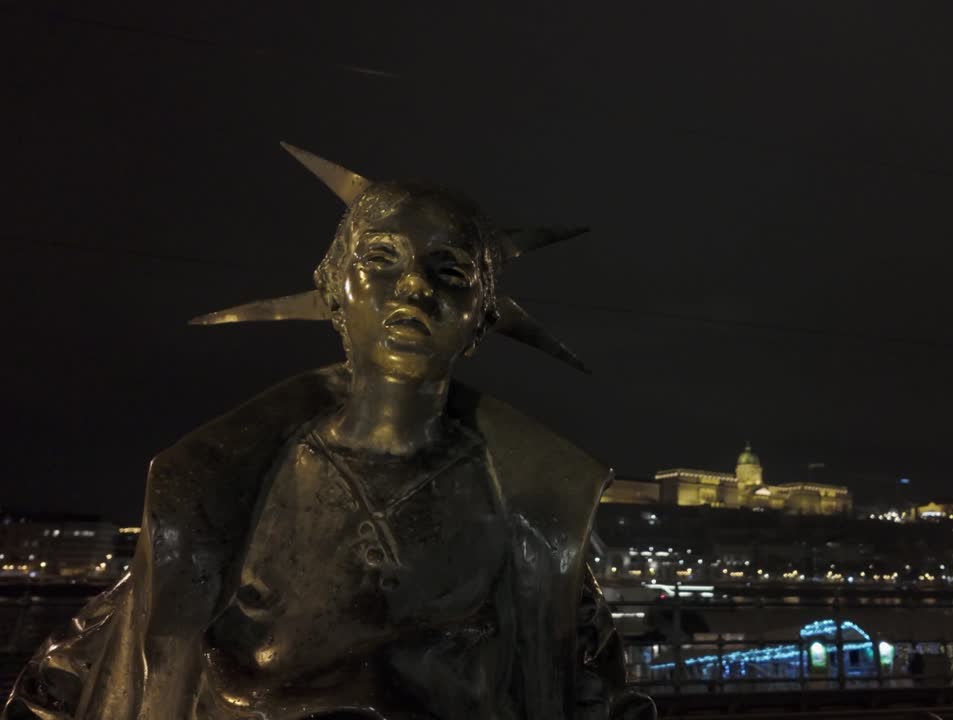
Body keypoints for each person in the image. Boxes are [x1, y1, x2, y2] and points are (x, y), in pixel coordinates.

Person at [3, 144, 655, 720]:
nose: (413, 288)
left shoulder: (534, 518)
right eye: (382, 258)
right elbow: (88, 669)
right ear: (333, 288)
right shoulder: (219, 492)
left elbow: (591, 685)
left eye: (450, 270)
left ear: (481, 318)